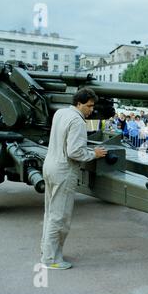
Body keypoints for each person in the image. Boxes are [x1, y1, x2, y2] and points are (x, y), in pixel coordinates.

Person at [41, 88, 107, 270]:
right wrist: (94, 153)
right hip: (64, 170)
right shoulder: (78, 121)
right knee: (60, 216)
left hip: (50, 165)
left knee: (50, 212)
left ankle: (47, 251)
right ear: (79, 103)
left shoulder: (61, 112)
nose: (91, 110)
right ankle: (51, 259)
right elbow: (75, 152)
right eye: (89, 106)